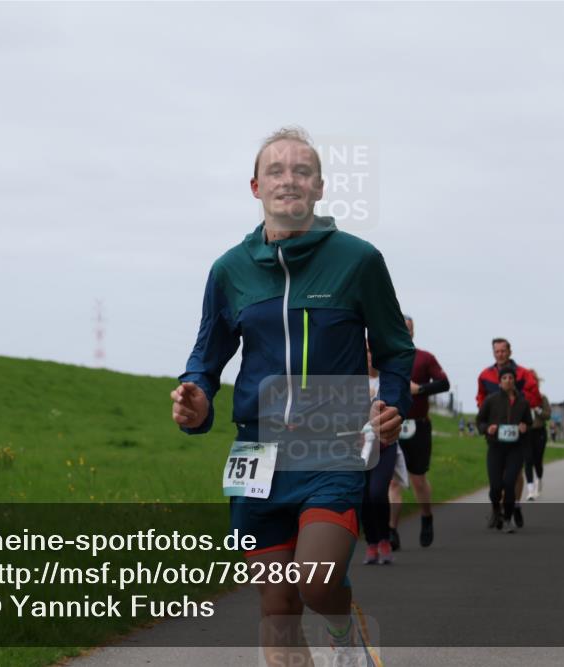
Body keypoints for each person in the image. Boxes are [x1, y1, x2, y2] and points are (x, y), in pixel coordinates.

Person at [172, 127, 413, 667]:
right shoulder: (229, 270)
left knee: (317, 582)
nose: (289, 180)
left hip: (333, 446)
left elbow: (395, 348)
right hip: (256, 453)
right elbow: (206, 358)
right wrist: (197, 401)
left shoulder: (358, 261)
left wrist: (392, 403)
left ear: (319, 187)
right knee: (277, 605)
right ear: (255, 186)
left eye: (302, 171)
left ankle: (343, 636)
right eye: (276, 171)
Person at [387, 316, 449, 550]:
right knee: (393, 482)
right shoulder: (386, 357)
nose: (405, 332)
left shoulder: (425, 358)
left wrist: (420, 389)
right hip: (393, 423)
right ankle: (392, 530)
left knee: (418, 479)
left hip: (418, 426)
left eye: (409, 329)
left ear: (413, 332)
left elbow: (444, 384)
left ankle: (426, 516)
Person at [476, 338, 540, 528]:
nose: (500, 354)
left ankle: (514, 506)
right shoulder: (485, 374)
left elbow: (534, 396)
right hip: (496, 437)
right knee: (497, 480)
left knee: (514, 475)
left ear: (510, 352)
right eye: (497, 351)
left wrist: (517, 401)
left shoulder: (523, 373)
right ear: (493, 353)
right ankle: (498, 510)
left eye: (503, 351)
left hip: (516, 438)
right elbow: (481, 398)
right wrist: (489, 419)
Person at [361, 345, 398, 565]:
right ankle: (371, 543)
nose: (369, 355)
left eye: (372, 350)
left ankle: (385, 539)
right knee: (364, 496)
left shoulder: (389, 381)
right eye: (366, 350)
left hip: (384, 445)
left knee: (377, 492)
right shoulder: (351, 381)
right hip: (358, 447)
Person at [525, 373, 551, 501]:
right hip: (527, 433)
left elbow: (548, 415)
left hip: (539, 432)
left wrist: (538, 409)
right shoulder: (522, 398)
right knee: (528, 460)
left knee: (537, 461)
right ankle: (530, 490)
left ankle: (539, 479)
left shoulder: (542, 398)